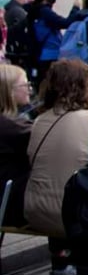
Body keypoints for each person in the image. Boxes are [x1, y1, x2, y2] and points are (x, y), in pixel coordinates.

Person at [25, 59, 88, 275]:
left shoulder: (39, 121)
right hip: (77, 219)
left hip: (35, 211)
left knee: (60, 188)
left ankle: (59, 266)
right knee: (84, 191)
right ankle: (86, 271)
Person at [26, 0, 81, 85]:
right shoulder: (45, 12)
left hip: (40, 54)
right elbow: (65, 23)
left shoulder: (34, 10)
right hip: (49, 54)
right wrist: (75, 8)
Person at [0, 64, 32, 228]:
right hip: (9, 206)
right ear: (9, 91)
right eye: (25, 84)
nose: (29, 89)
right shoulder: (13, 128)